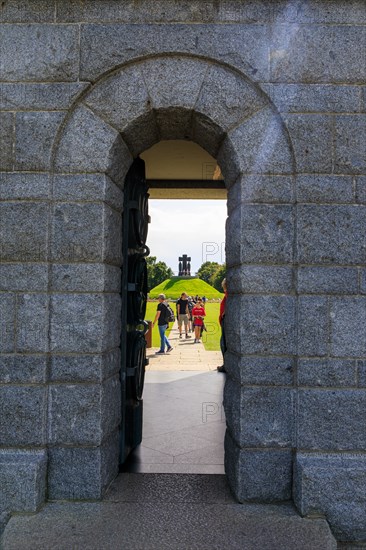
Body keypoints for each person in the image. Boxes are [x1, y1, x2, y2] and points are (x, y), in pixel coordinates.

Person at [217, 278, 227, 373]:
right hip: (225, 321)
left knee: (224, 344)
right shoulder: (227, 295)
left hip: (226, 322)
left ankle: (226, 365)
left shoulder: (228, 295)